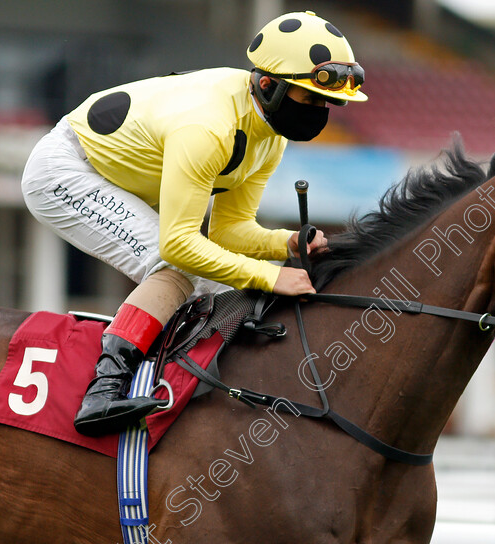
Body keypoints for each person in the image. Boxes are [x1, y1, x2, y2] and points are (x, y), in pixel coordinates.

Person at [20, 10, 367, 436]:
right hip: (64, 171)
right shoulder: (210, 126)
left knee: (226, 290)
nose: (321, 112)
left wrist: (289, 244)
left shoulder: (270, 136)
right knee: (181, 268)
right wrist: (271, 277)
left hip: (117, 180)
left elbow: (228, 231)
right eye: (311, 99)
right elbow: (179, 245)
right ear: (267, 85)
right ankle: (103, 391)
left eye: (327, 102)